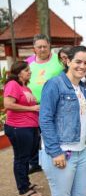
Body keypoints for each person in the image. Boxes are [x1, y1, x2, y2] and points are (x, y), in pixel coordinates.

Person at [39, 46, 86, 196]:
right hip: (61, 152)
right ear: (67, 61)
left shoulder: (83, 87)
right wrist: (55, 152)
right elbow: (45, 119)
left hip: (81, 151)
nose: (82, 66)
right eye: (78, 61)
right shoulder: (54, 84)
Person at [3, 61, 42, 196]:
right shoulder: (12, 84)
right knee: (21, 158)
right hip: (18, 127)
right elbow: (8, 104)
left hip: (29, 127)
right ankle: (23, 190)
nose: (29, 72)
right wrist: (31, 108)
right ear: (18, 72)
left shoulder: (25, 87)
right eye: (26, 70)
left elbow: (29, 104)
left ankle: (25, 182)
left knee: (26, 157)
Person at [27, 34, 64, 174]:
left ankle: (55, 159)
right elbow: (20, 79)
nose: (42, 49)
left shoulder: (59, 60)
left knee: (52, 133)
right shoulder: (28, 62)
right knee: (34, 137)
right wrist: (24, 91)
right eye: (39, 47)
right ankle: (35, 162)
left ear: (50, 46)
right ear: (34, 49)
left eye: (45, 46)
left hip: (56, 105)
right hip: (33, 106)